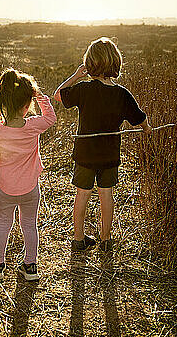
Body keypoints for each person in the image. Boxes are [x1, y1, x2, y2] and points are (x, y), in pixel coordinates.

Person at [53, 37, 151, 252]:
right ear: (116, 63)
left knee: (82, 194)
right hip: (109, 155)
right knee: (106, 195)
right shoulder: (122, 94)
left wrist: (76, 76)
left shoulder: (84, 89)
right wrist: (147, 128)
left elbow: (58, 95)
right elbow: (140, 118)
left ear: (90, 63)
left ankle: (78, 238)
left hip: (85, 155)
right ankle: (106, 240)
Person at [0, 68, 56, 280]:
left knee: (3, 224)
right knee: (29, 225)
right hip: (30, 189)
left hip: (5, 189)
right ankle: (30, 266)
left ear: (3, 103)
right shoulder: (33, 126)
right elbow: (50, 118)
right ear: (26, 105)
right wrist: (39, 95)